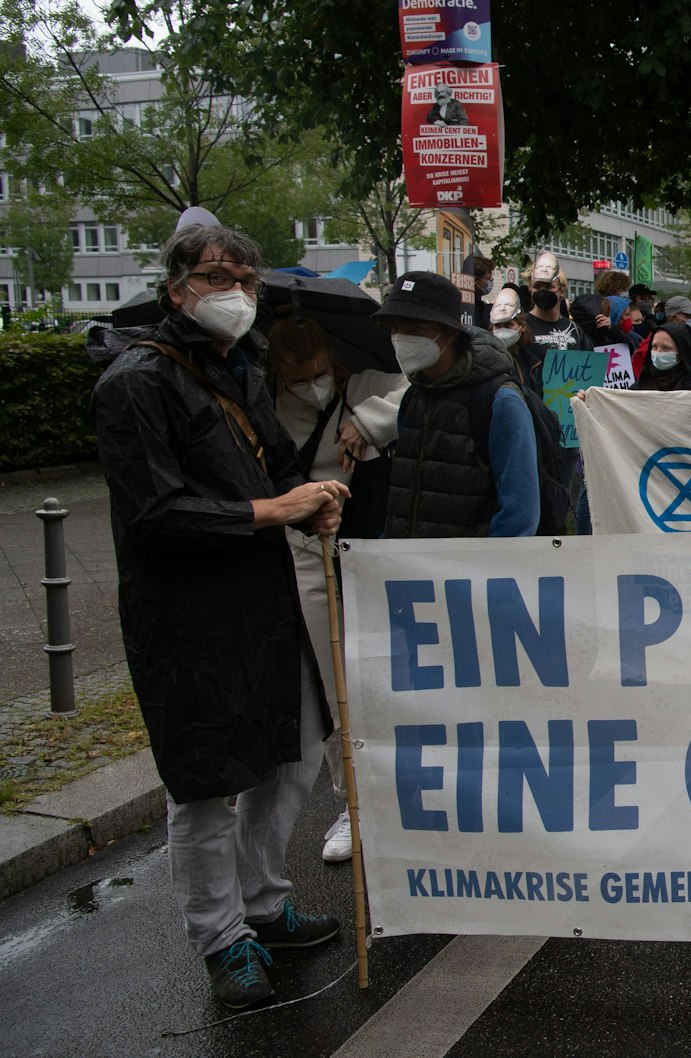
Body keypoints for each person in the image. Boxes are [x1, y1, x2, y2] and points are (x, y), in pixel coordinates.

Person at [91, 222, 345, 1008]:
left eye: (245, 279)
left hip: (262, 602)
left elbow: (277, 465)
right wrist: (278, 511)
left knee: (294, 751)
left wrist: (313, 501)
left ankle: (263, 902)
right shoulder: (135, 383)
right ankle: (221, 937)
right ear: (175, 289)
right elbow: (157, 513)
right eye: (214, 277)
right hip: (187, 618)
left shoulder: (243, 366)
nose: (233, 292)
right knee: (204, 783)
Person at [264, 316, 406, 864]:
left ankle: (397, 792)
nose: (313, 387)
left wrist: (369, 422)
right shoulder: (265, 406)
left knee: (387, 679)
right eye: (299, 380)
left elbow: (415, 390)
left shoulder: (360, 386)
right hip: (308, 554)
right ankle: (352, 802)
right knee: (334, 686)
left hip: (370, 552)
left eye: (320, 374)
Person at [377, 271, 541, 538]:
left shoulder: (499, 401)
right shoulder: (413, 397)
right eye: (395, 328)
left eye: (415, 327)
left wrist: (484, 563)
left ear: (451, 332)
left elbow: (520, 515)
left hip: (470, 565)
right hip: (407, 563)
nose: (401, 337)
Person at [524, 253, 589, 351]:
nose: (542, 291)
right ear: (530, 289)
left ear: (562, 290)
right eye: (537, 286)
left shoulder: (575, 330)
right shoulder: (522, 328)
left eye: (548, 286)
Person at [630, 322, 691, 392]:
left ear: (682, 352)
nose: (658, 352)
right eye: (654, 346)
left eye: (666, 348)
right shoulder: (637, 389)